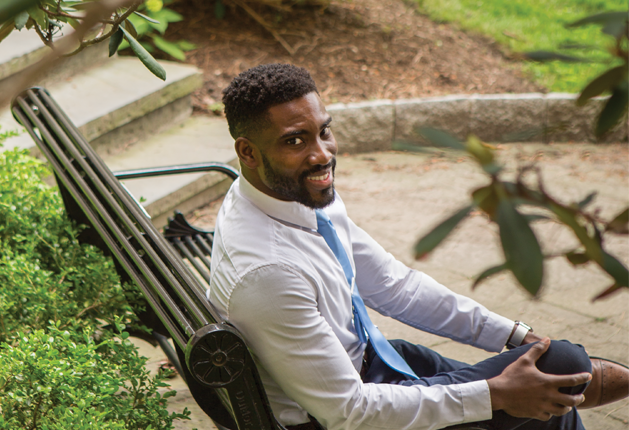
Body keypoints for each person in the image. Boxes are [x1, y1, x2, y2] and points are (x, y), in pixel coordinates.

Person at [207, 63, 629, 430]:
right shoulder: (271, 272)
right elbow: (348, 413)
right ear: (247, 152)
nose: (322, 155)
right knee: (562, 368)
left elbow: (394, 286)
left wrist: (513, 335)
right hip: (349, 415)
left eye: (325, 132)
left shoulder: (286, 196)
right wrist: (495, 395)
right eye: (295, 141)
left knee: (545, 371)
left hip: (375, 365)